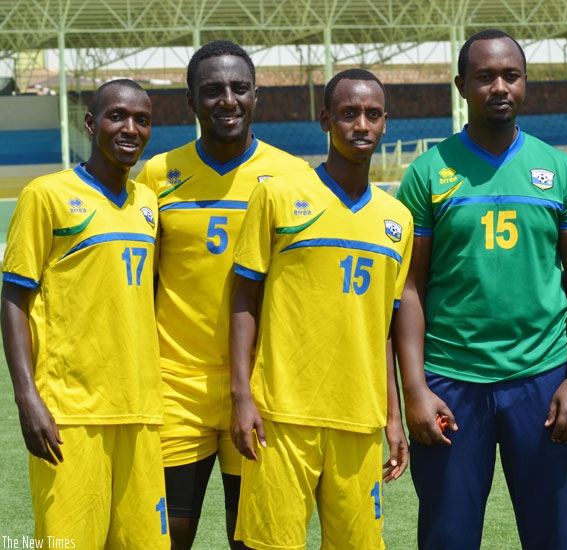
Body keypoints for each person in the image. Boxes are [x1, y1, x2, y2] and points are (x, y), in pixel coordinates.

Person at [394, 28, 567, 549]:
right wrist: (415, 389)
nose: (500, 87)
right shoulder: (428, 172)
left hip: (543, 380)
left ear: (526, 81)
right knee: (447, 539)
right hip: (450, 382)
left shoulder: (559, 170)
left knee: (553, 539)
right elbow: (409, 288)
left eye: (511, 75)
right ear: (461, 86)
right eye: (485, 77)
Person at [135, 40, 310, 550]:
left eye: (239, 88)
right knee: (166, 537)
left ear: (256, 96)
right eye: (212, 90)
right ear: (191, 102)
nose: (227, 100)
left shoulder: (295, 176)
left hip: (259, 385)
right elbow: (141, 279)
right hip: (175, 383)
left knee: (250, 537)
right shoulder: (157, 175)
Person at [229, 68, 412, 549]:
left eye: (372, 114)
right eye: (349, 113)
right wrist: (241, 395)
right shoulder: (277, 195)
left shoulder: (397, 220)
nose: (361, 125)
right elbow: (243, 298)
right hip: (282, 413)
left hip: (360, 419)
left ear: (385, 123)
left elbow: (383, 327)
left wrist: (393, 417)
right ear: (326, 120)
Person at [1, 79, 168, 549]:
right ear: (91, 124)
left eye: (142, 120)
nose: (130, 128)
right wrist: (27, 398)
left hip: (140, 411)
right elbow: (13, 297)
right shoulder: (46, 195)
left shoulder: (148, 204)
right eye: (117, 116)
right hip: (70, 415)